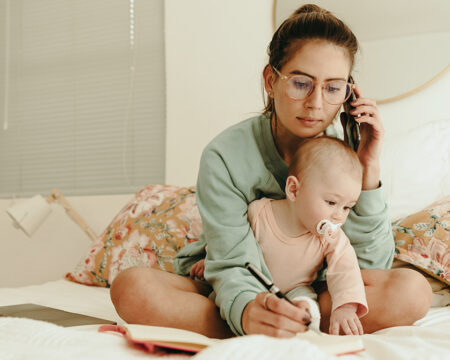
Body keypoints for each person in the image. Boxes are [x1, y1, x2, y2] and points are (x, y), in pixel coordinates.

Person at [110, 4, 432, 338]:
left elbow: (369, 267)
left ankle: (293, 320)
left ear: (348, 94)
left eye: (333, 87)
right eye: (301, 83)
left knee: (413, 292)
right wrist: (249, 310)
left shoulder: (347, 153)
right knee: (132, 288)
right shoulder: (224, 156)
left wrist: (368, 166)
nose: (316, 103)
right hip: (231, 289)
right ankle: (273, 324)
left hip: (314, 292)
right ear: (270, 80)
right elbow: (232, 260)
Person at [248, 136, 368, 335]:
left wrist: (345, 306)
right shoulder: (258, 213)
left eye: (347, 207)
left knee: (307, 303)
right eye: (331, 202)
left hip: (296, 289)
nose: (339, 215)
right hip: (254, 288)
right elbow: (231, 244)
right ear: (294, 190)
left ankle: (304, 327)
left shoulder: (330, 237)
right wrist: (208, 257)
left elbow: (346, 269)